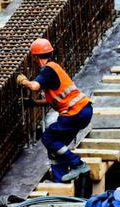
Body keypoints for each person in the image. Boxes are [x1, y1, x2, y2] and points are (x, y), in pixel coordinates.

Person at [16, 38, 92, 182]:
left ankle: (78, 164)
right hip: (83, 110)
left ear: (35, 57)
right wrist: (35, 103)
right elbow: (58, 98)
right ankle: (61, 180)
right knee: (55, 147)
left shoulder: (48, 69)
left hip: (74, 113)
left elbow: (34, 86)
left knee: (48, 137)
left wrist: (23, 81)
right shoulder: (55, 68)